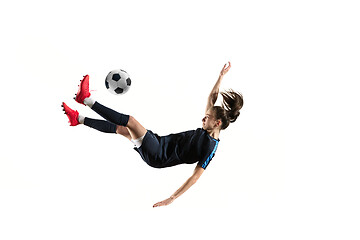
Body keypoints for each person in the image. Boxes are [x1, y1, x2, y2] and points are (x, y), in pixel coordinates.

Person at [61, 62, 243, 207]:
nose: (203, 119)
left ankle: (85, 99)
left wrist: (172, 198)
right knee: (121, 129)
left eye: (207, 118)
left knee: (130, 121)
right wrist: (220, 78)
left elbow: (195, 177)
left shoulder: (210, 147)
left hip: (158, 154)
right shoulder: (208, 127)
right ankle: (78, 119)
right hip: (159, 142)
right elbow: (212, 98)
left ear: (217, 123)